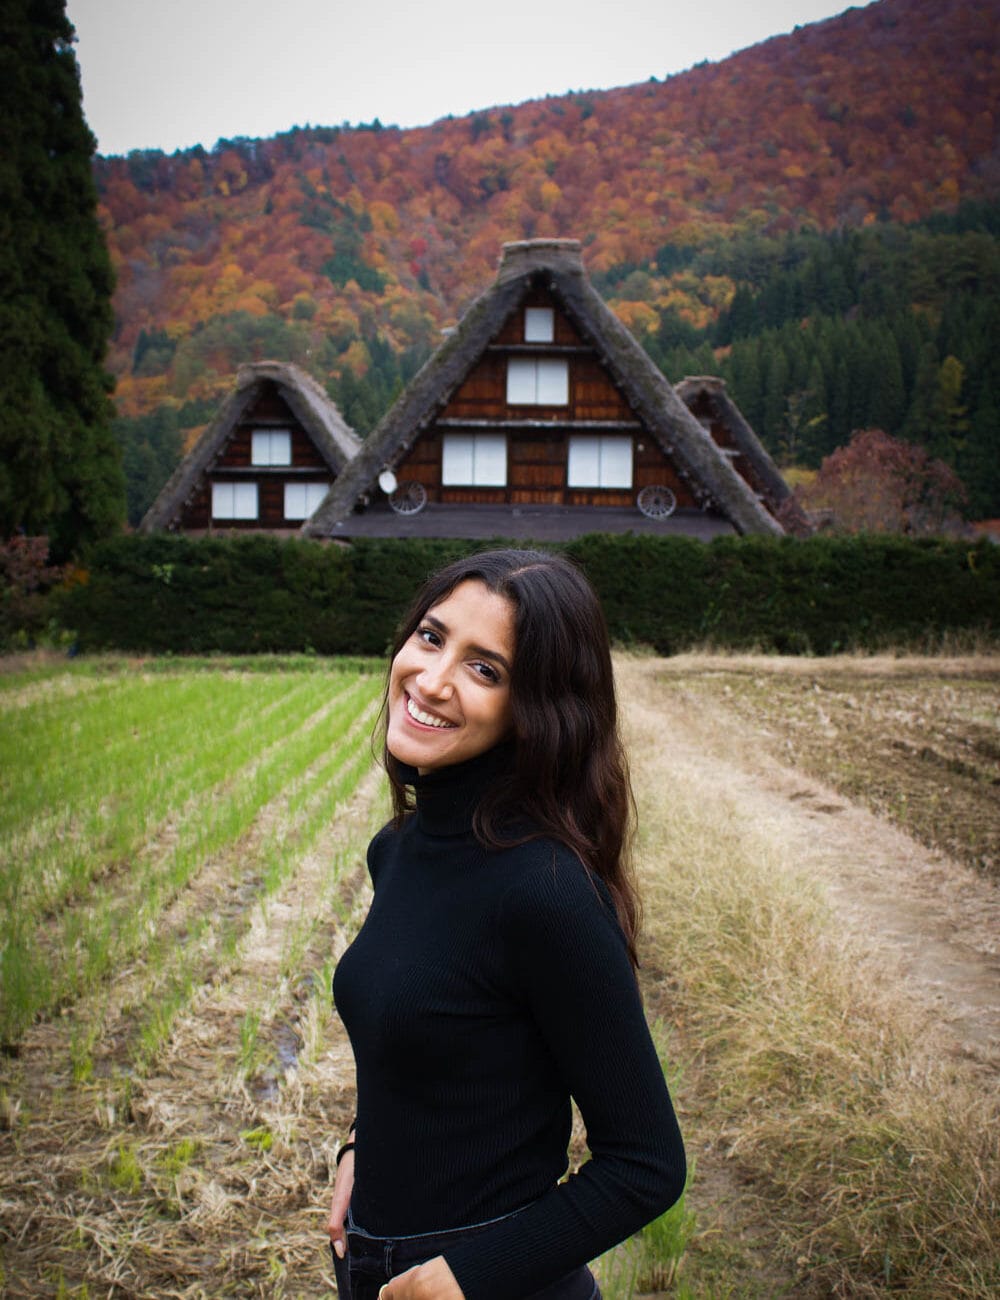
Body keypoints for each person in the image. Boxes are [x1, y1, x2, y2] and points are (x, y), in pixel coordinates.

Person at [327, 548, 686, 1300]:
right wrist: (361, 1145)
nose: (431, 679)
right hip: (370, 1263)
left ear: (539, 710)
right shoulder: (399, 849)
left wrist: (466, 1278)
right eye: (431, 637)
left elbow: (646, 1162)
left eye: (485, 669)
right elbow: (421, 1045)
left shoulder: (545, 892)